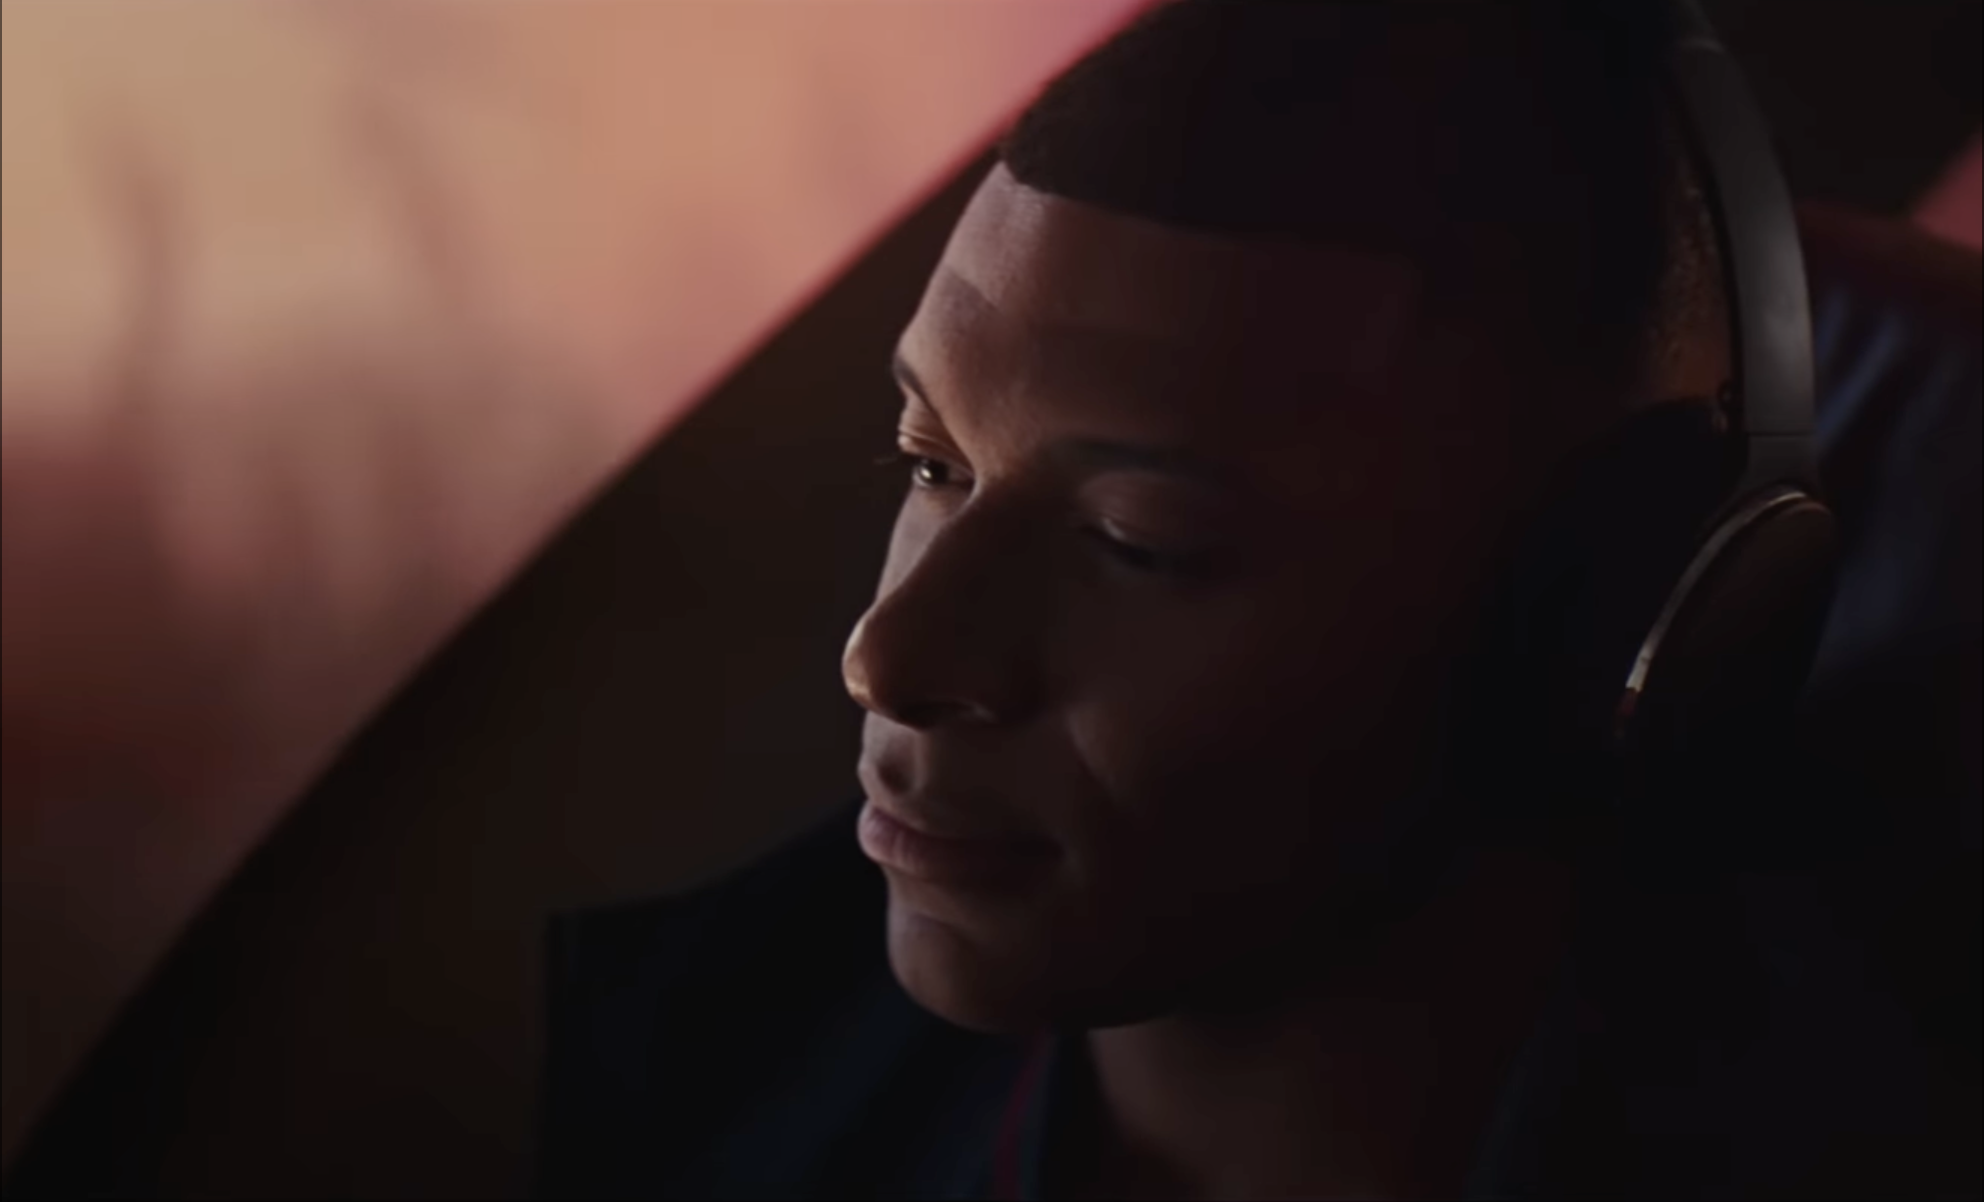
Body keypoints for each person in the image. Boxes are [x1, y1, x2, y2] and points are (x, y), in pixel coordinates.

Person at [538, 3, 1752, 1198]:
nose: (889, 657)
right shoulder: (697, 1060)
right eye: (930, 462)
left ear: (1583, 612)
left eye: (1136, 541)